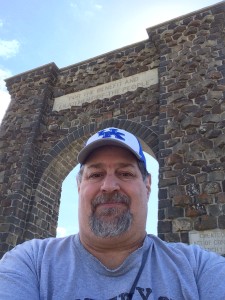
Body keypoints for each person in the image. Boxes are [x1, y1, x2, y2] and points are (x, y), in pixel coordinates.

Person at [0, 127, 225, 300]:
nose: (109, 186)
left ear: (147, 184)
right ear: (79, 186)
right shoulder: (29, 263)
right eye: (95, 174)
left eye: (125, 173)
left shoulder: (199, 268)